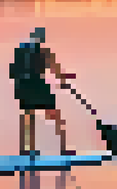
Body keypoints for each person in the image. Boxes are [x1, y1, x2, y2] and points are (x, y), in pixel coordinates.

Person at [12, 27, 72, 156]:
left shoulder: (20, 51)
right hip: (36, 85)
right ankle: (63, 148)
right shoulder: (44, 51)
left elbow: (13, 71)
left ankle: (26, 148)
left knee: (28, 115)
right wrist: (63, 80)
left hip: (22, 85)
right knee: (55, 114)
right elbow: (54, 68)